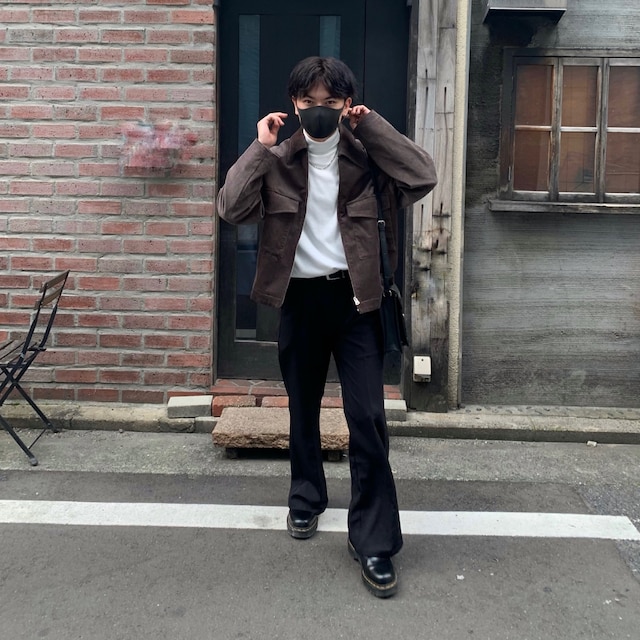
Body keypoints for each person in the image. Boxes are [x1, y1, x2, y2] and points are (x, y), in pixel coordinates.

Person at [217, 56, 437, 597]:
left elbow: (423, 175)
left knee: (367, 419)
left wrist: (372, 127)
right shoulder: (277, 160)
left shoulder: (368, 159)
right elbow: (230, 208)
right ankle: (306, 497)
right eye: (309, 101)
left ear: (346, 105)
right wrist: (260, 147)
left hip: (357, 303)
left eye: (330, 103)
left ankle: (374, 541)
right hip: (299, 301)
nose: (319, 110)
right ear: (294, 104)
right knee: (303, 408)